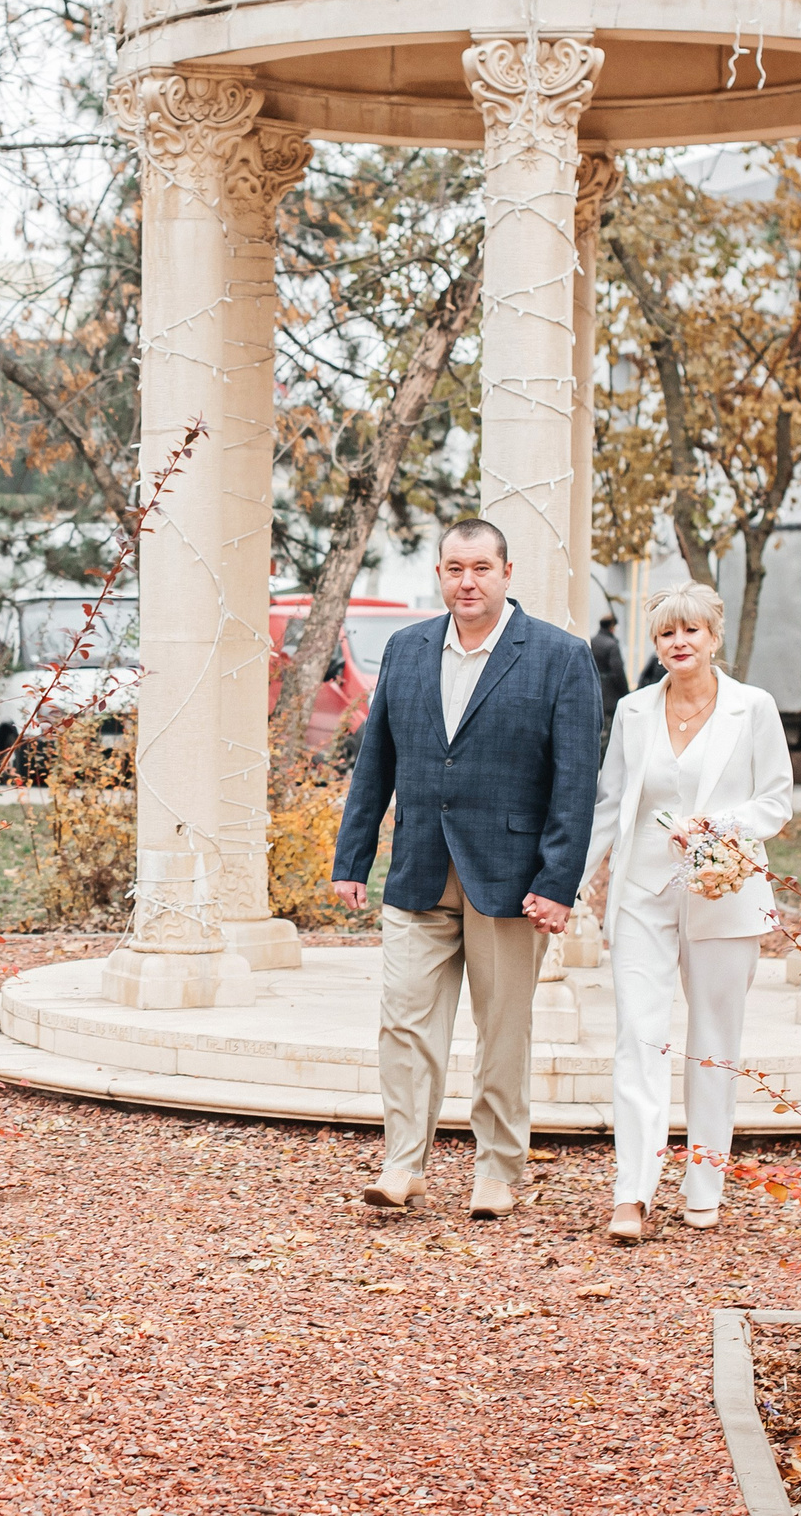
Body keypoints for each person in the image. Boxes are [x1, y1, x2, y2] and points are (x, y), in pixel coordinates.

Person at [330, 519, 602, 1219]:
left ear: (508, 572)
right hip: (419, 866)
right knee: (405, 1021)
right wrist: (352, 856)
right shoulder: (407, 648)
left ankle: (499, 1168)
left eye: (481, 567)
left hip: (511, 880)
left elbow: (575, 783)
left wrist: (556, 881)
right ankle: (402, 1162)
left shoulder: (559, 656)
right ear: (441, 574)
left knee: (503, 1029)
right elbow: (376, 764)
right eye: (454, 568)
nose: (467, 581)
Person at [583, 582, 792, 1242]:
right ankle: (632, 1192)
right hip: (643, 892)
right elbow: (611, 803)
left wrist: (717, 823)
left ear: (713, 635)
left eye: (691, 631)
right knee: (637, 1038)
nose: (679, 643)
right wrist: (572, 879)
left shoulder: (752, 708)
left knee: (713, 1043)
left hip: (722, 890)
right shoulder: (633, 710)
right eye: (667, 633)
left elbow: (777, 800)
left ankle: (704, 1183)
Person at [590, 613, 631, 752]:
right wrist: (626, 694)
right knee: (607, 733)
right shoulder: (612, 645)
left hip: (593, 691)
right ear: (613, 627)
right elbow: (618, 672)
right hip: (610, 696)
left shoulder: (592, 641)